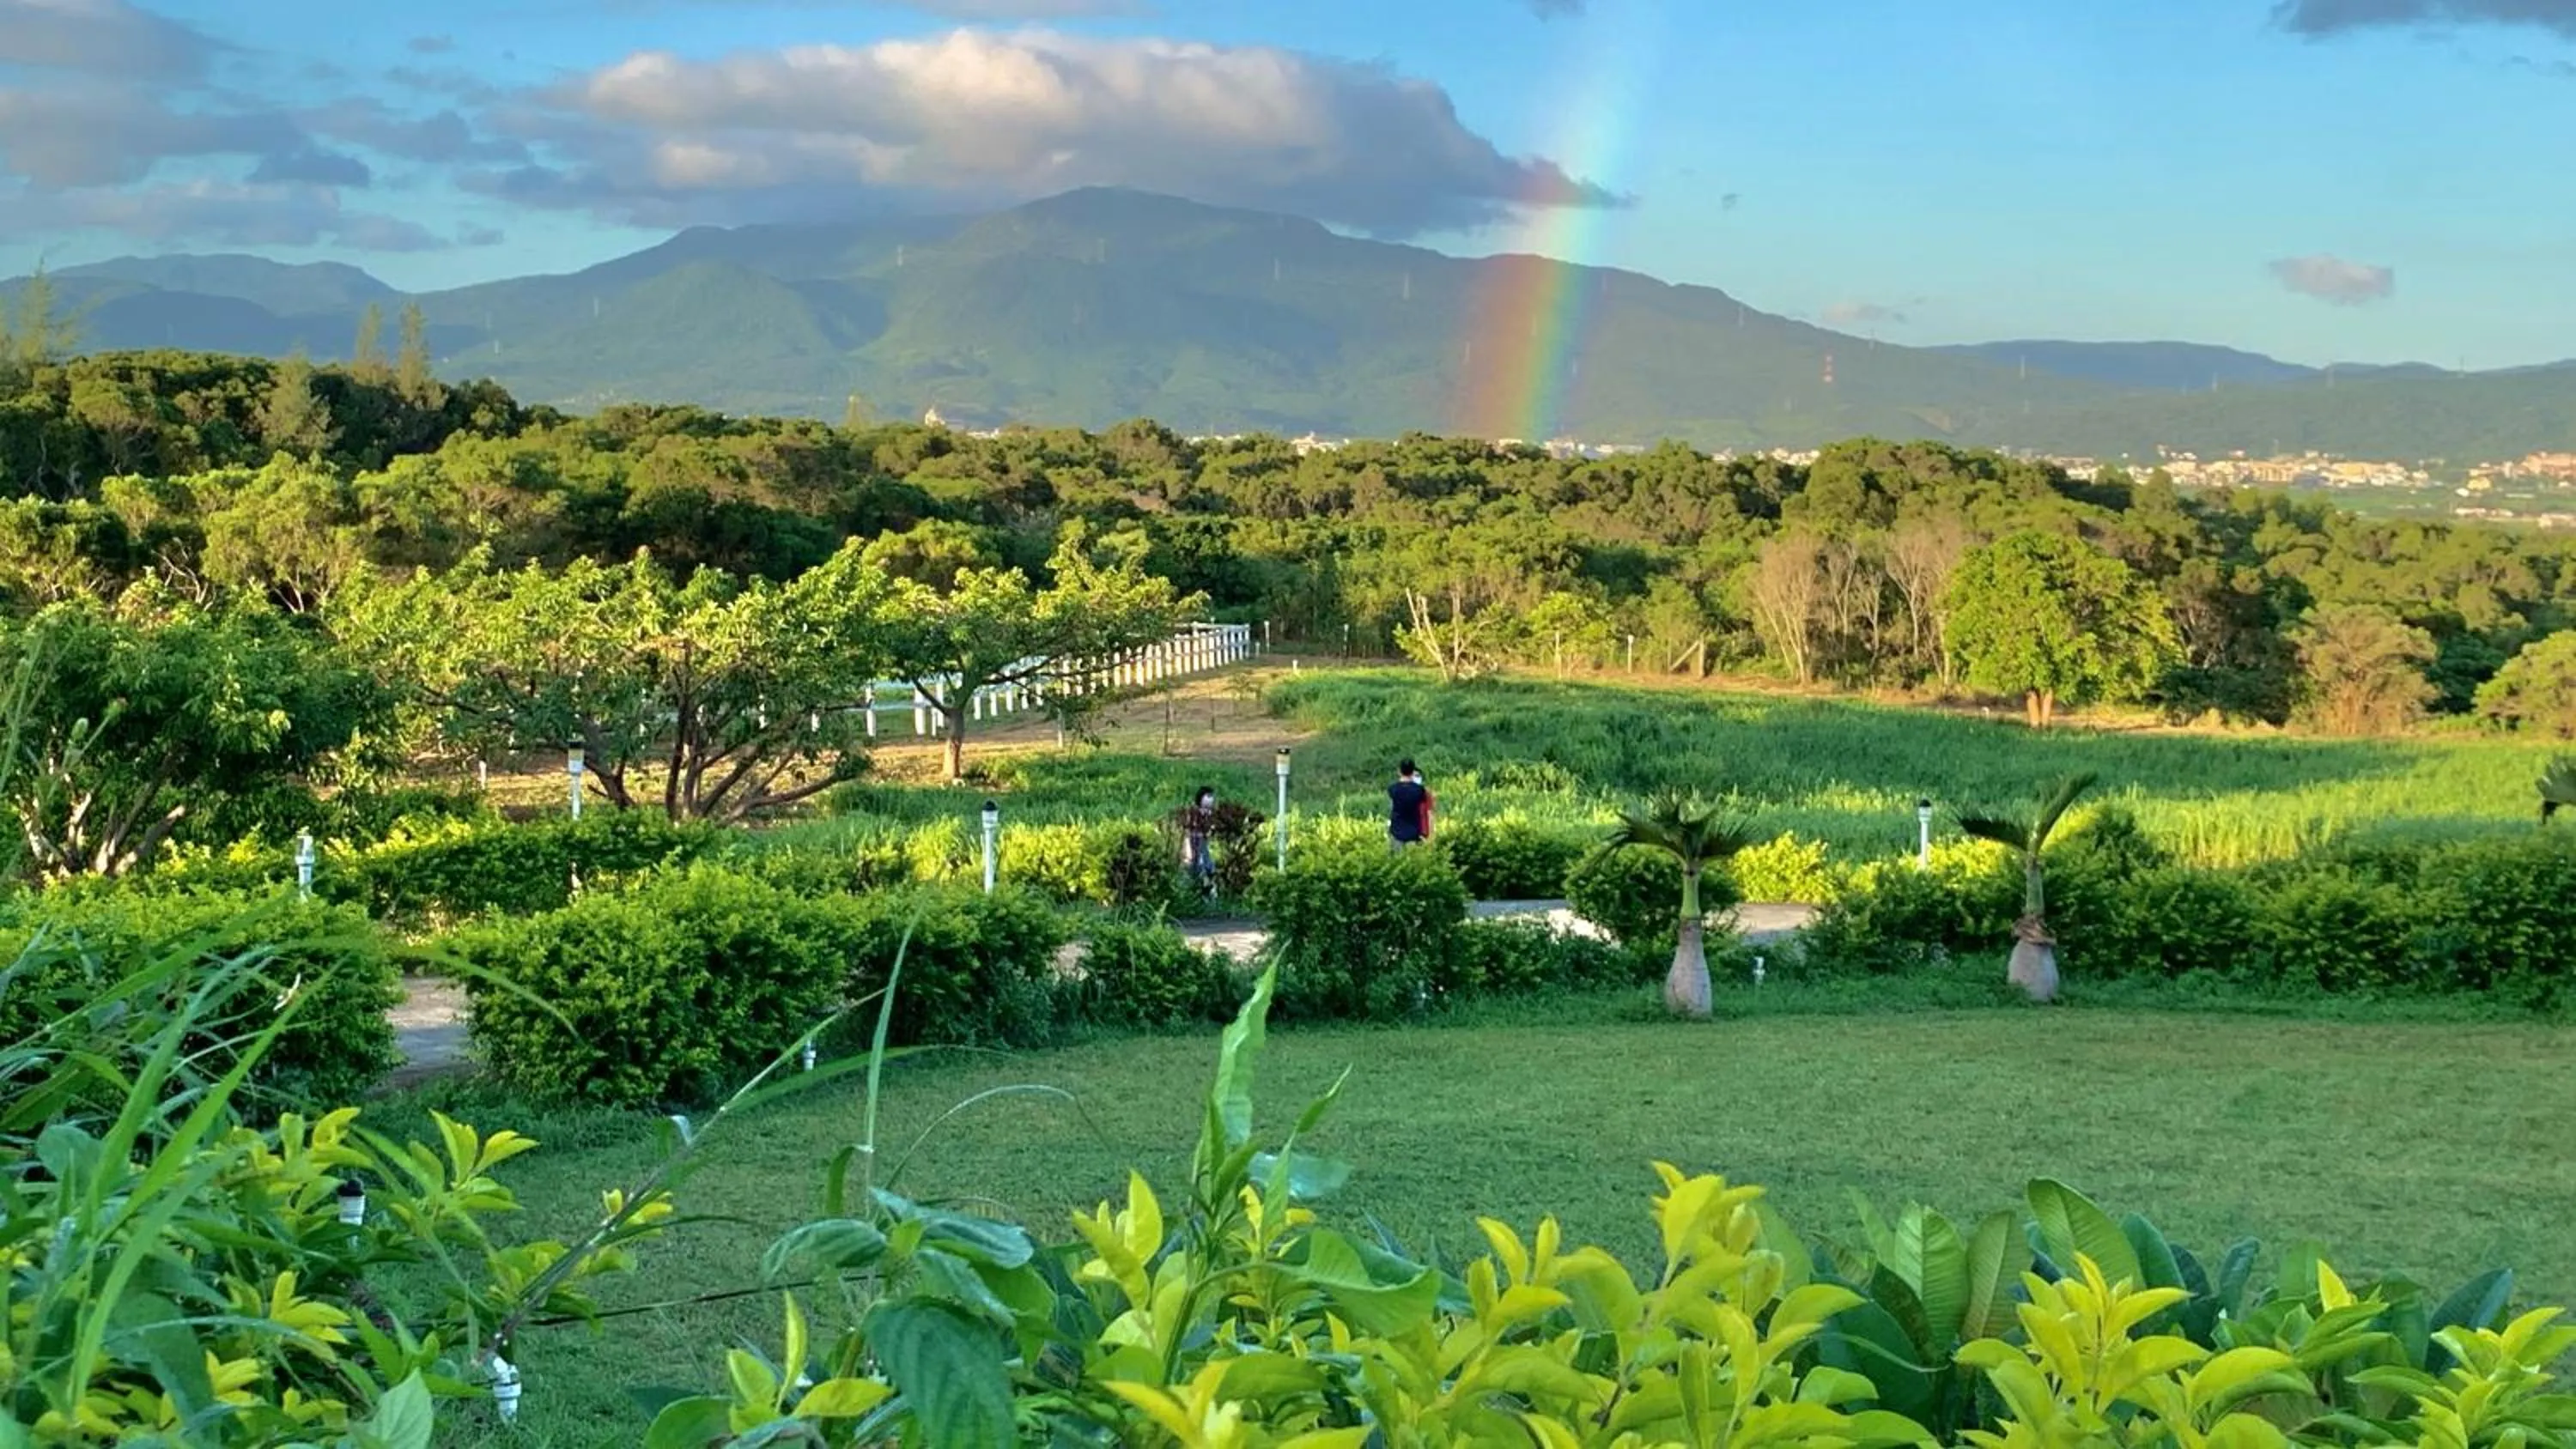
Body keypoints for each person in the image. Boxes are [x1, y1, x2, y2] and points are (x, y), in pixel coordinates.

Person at [1388, 759, 1432, 848]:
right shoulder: (1420, 790)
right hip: (1415, 833)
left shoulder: (1392, 789)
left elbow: (1390, 809)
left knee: (1397, 861)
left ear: (1399, 771)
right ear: (1412, 772)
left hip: (1397, 832)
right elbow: (1426, 811)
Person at [1182, 785, 1218, 890]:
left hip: (1203, 840)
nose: (1210, 799)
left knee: (1207, 862)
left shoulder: (1209, 814)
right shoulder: (1194, 812)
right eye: (1208, 796)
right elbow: (1190, 826)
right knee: (1196, 861)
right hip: (1194, 839)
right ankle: (1197, 882)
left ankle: (1207, 880)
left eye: (1211, 796)